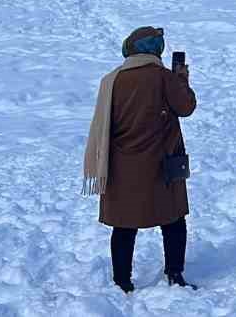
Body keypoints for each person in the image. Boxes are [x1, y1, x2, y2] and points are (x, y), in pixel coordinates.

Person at [82, 27, 197, 293]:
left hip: (122, 166)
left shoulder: (112, 80)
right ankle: (174, 274)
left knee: (124, 225)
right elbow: (186, 107)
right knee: (173, 220)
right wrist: (181, 80)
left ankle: (122, 281)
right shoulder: (164, 77)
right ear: (155, 48)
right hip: (162, 165)